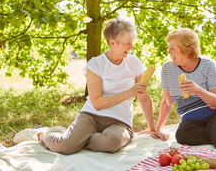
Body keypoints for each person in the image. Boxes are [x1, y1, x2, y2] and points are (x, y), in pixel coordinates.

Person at [38, 18, 167, 154]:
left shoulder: (134, 63)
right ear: (112, 43)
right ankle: (45, 135)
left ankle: (75, 139)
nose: (131, 47)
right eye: (127, 43)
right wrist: (129, 93)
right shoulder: (95, 65)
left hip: (120, 121)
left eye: (132, 42)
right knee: (64, 147)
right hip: (91, 116)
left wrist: (153, 129)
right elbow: (97, 103)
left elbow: (144, 97)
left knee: (111, 143)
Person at [155, 28, 216, 148]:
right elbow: (167, 102)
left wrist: (198, 90)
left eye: (172, 48)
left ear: (186, 50)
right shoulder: (167, 69)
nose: (168, 52)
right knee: (182, 135)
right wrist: (158, 129)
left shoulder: (208, 66)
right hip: (193, 120)